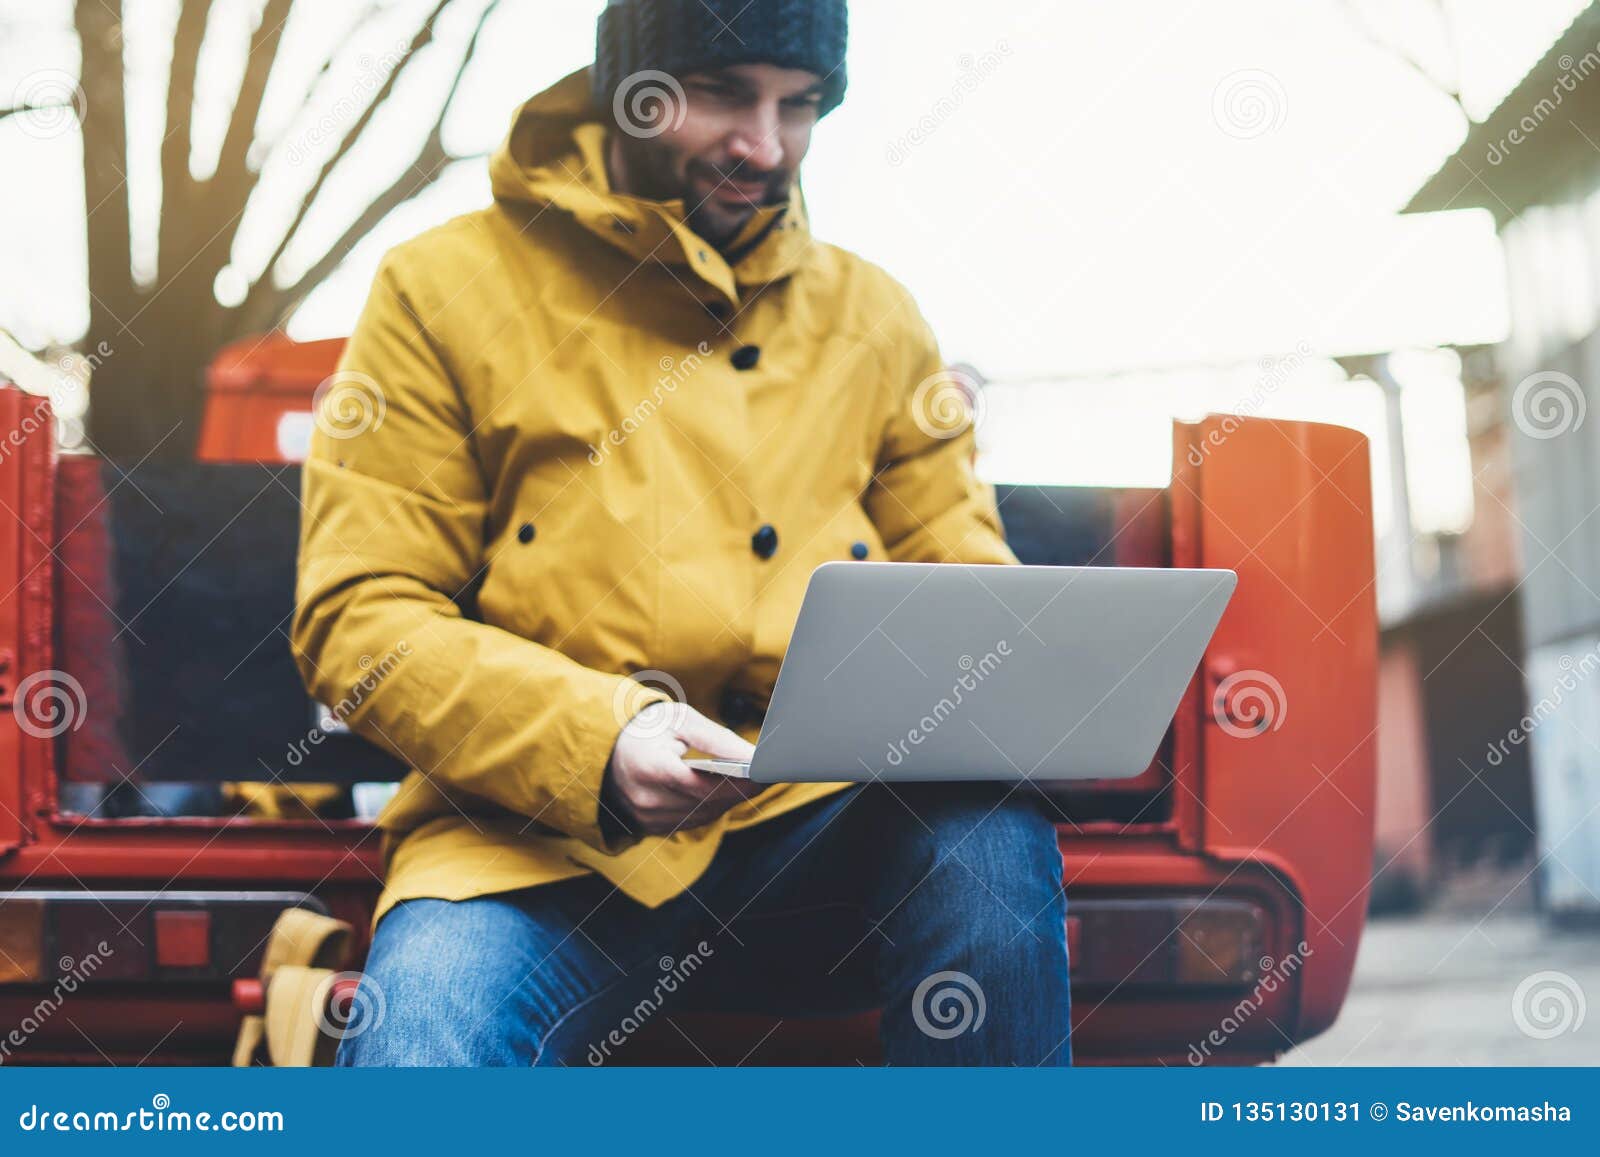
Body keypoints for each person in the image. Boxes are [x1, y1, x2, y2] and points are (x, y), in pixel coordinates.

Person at [292, 0, 1070, 1067]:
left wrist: (1028, 682)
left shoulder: (876, 316)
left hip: (822, 836)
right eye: (722, 94)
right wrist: (598, 737)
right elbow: (360, 614)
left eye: (798, 107)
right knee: (423, 1035)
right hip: (528, 849)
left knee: (992, 845)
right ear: (632, 88)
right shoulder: (437, 289)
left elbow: (967, 585)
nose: (764, 145)